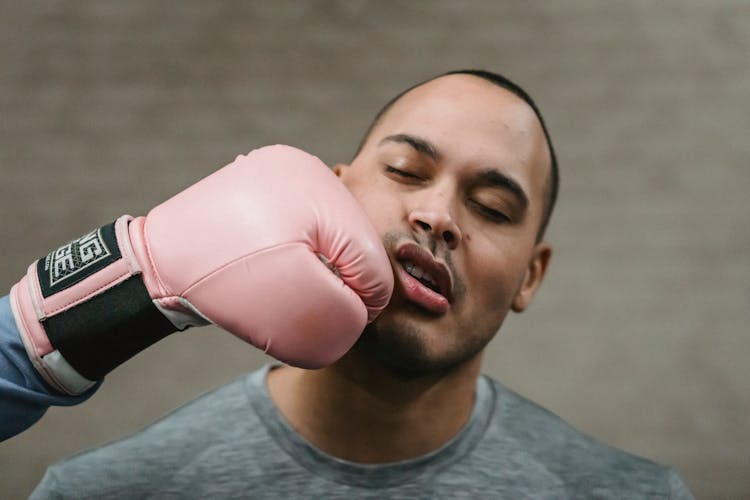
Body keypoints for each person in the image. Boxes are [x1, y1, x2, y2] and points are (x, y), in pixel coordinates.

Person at [19, 69, 695, 498]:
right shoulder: (107, 492)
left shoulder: (634, 494)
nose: (437, 216)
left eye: (491, 208)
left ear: (531, 276)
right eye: (404, 170)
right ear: (332, 189)